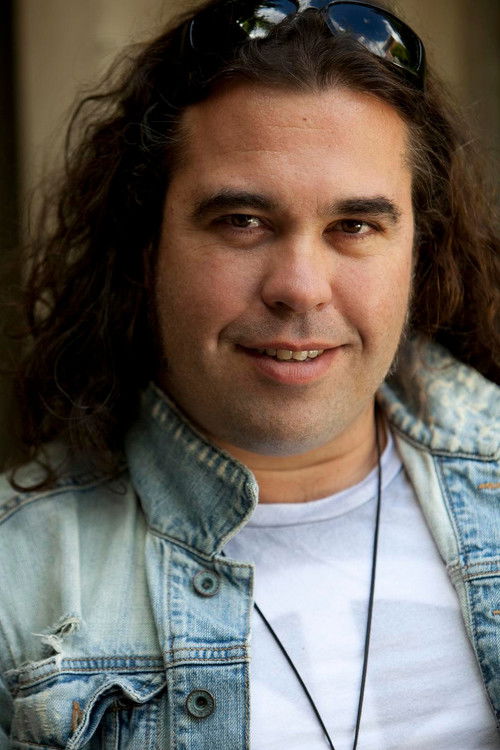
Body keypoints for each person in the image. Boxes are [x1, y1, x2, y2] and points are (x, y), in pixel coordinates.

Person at [0, 0, 498, 747]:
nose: (299, 287)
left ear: (419, 253)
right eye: (242, 222)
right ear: (148, 248)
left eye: (354, 226)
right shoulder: (16, 582)